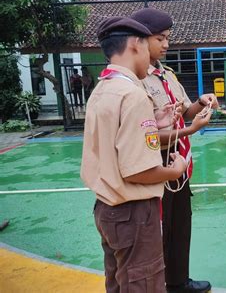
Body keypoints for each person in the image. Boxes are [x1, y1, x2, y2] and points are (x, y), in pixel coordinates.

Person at [80, 16, 187, 292]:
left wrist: (158, 122)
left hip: (107, 208)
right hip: (134, 214)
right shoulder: (133, 94)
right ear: (136, 45)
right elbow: (139, 170)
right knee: (144, 284)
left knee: (118, 282)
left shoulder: (102, 89)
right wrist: (176, 170)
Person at [131, 8, 218, 293]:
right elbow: (148, 135)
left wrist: (201, 103)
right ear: (141, 39)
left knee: (180, 224)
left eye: (168, 38)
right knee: (157, 229)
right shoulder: (137, 80)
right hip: (154, 159)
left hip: (175, 156)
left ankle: (178, 281)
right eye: (161, 38)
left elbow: (184, 110)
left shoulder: (167, 75)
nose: (167, 44)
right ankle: (159, 285)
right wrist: (190, 130)